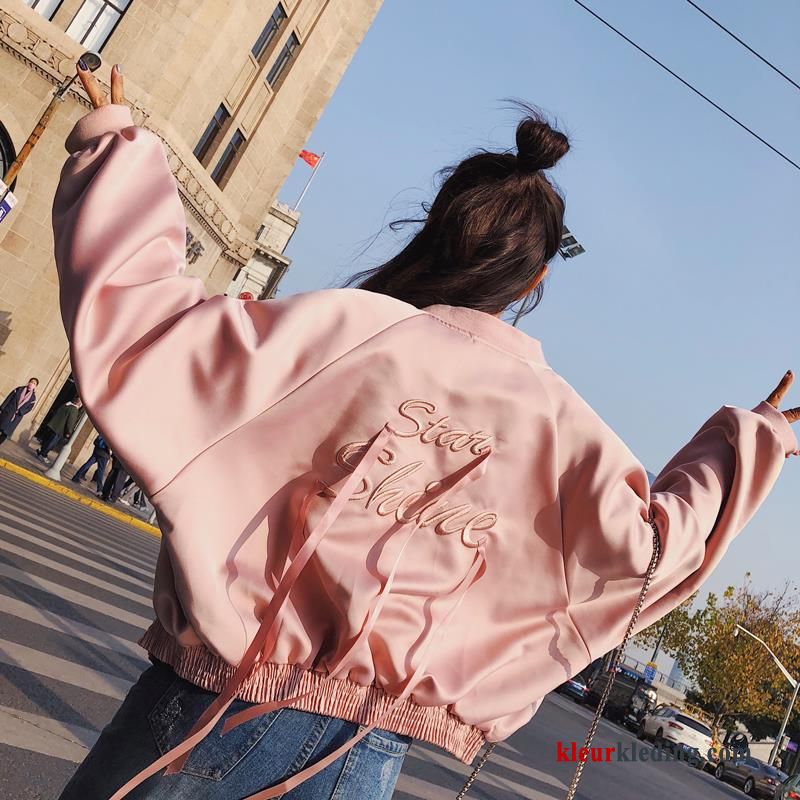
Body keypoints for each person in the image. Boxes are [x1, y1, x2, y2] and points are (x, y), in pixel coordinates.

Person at [54, 65, 798, 800]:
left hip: (203, 720)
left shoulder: (336, 333)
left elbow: (150, 329)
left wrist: (118, 151)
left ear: (436, 227)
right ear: (535, 281)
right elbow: (653, 551)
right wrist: (753, 441)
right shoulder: (565, 429)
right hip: (364, 764)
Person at [36, 396, 82, 463]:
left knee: (48, 441)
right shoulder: (74, 410)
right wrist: (69, 432)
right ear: (79, 403)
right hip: (59, 429)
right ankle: (43, 455)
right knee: (51, 444)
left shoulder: (66, 404)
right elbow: (70, 422)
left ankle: (41, 450)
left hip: (53, 426)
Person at [0, 378, 38, 444]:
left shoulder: (33, 398)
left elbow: (29, 408)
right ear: (29, 382)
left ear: (35, 386)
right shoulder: (19, 389)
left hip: (17, 416)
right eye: (31, 382)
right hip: (8, 411)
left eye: (34, 383)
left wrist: (21, 412)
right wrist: (2, 408)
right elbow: (9, 398)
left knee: (5, 433)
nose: (32, 384)